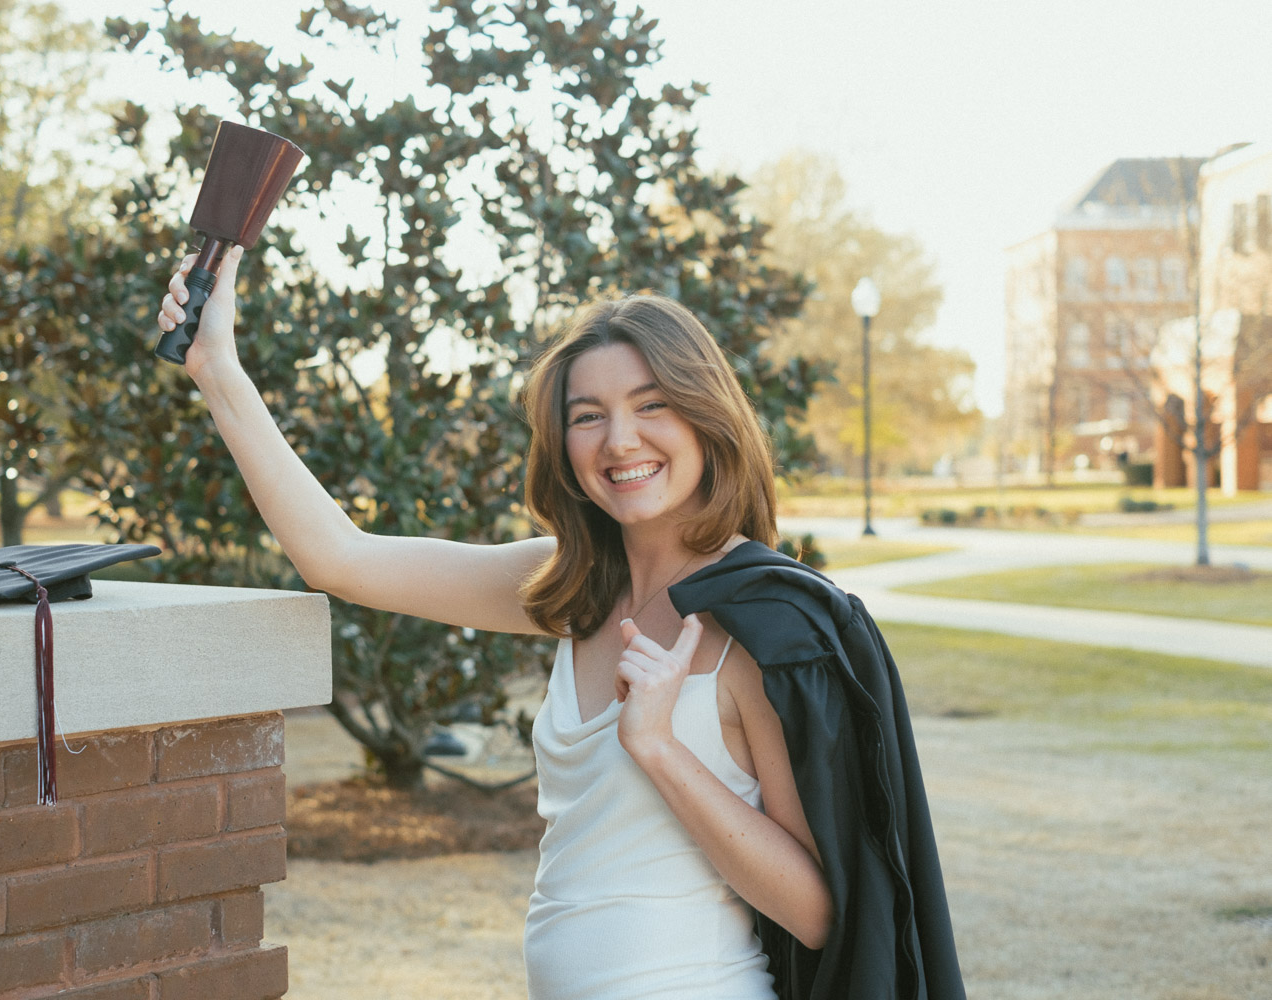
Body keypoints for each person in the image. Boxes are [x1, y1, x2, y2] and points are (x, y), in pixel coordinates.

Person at [157, 247, 965, 1000]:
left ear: (707, 418)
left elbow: (822, 912)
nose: (620, 441)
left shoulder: (764, 625)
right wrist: (217, 368)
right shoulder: (574, 586)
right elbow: (343, 560)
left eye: (653, 405)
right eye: (588, 415)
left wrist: (658, 746)